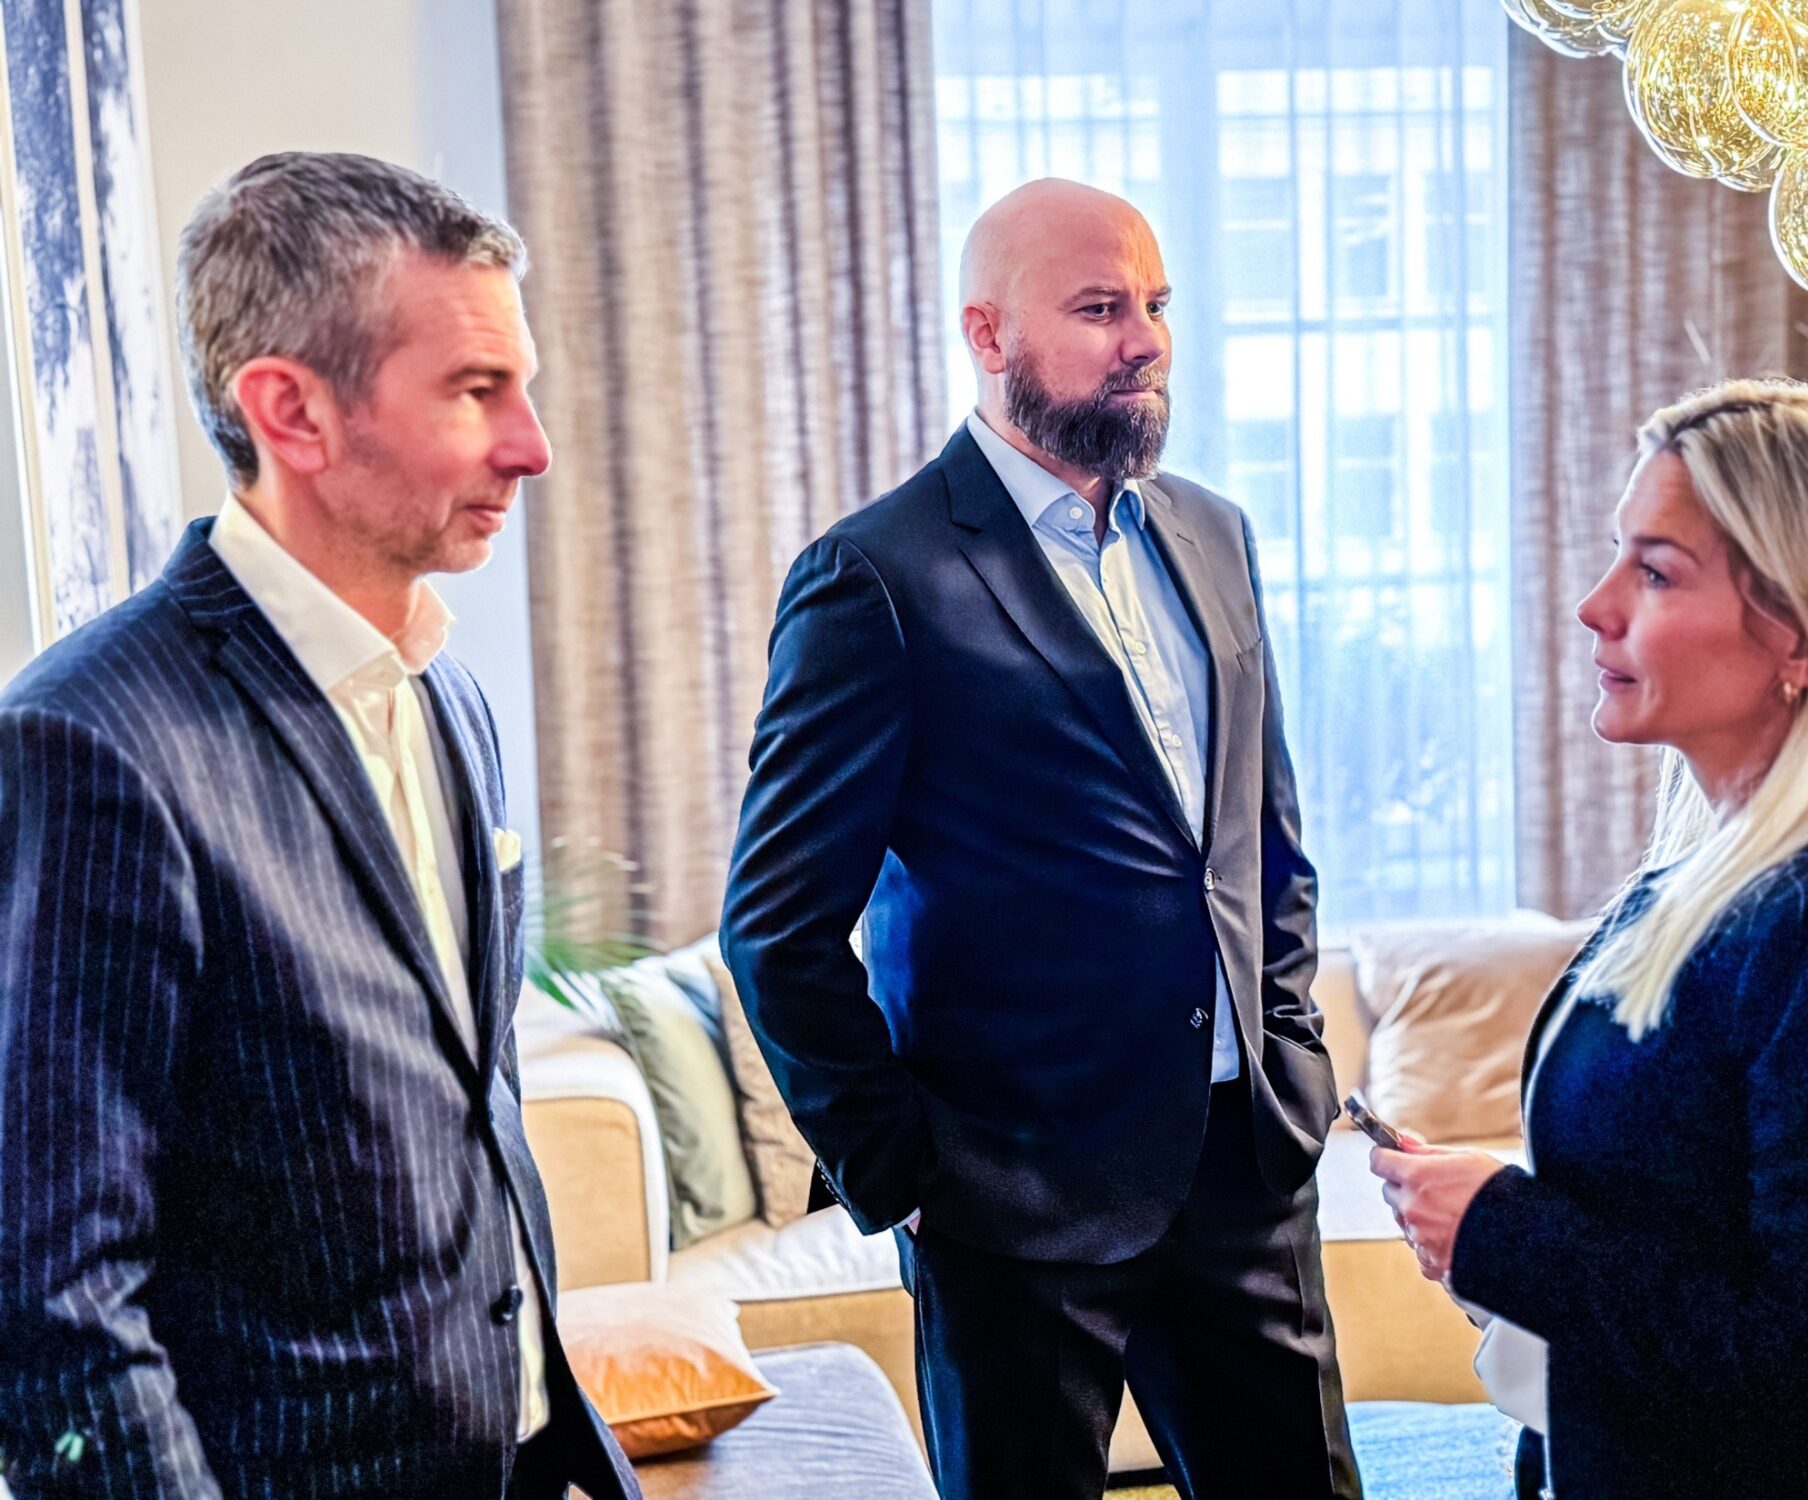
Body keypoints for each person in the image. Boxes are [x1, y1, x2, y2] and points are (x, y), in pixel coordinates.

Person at [0, 152, 639, 1500]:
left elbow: (469, 1104)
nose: (531, 444)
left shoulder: (448, 693)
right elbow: (53, 1294)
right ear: (290, 410)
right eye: (475, 390)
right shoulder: (90, 743)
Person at [720, 178, 1362, 1500]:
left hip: (1243, 1171)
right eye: (1099, 309)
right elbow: (775, 927)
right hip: (1009, 1210)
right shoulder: (877, 578)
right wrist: (903, 1174)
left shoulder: (1214, 535)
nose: (1145, 341)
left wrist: (1292, 1057)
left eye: (1156, 306)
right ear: (988, 333)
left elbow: (1260, 842)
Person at [1371, 379, 1808, 1499]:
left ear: (1802, 635)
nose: (1593, 605)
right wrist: (1500, 1246)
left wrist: (1507, 1237)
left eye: (1655, 572)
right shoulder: (1707, 886)